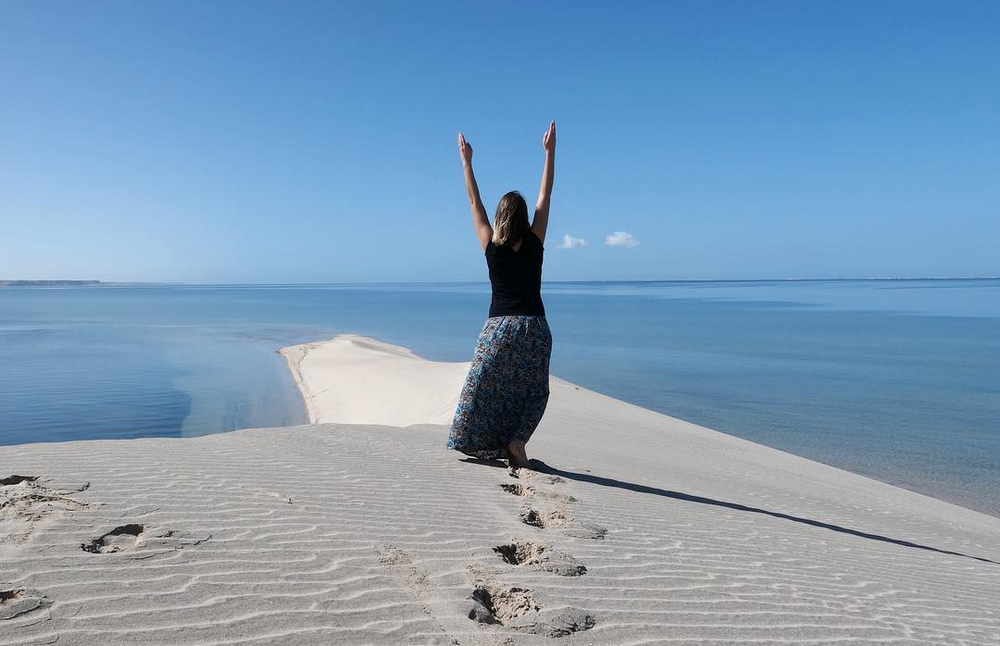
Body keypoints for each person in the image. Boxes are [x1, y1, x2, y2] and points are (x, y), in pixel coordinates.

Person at [447, 121, 557, 469]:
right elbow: (546, 196)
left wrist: (467, 162)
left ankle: (481, 440)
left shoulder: (491, 246)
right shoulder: (536, 242)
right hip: (535, 328)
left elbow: (472, 200)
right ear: (525, 218)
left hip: (500, 329)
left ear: (500, 217)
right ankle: (517, 441)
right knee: (533, 391)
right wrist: (550, 153)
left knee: (486, 387)